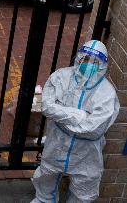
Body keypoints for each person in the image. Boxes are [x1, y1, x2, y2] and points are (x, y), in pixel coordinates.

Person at [31, 40, 120, 203]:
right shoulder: (61, 77)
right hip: (57, 141)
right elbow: (46, 106)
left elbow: (93, 128)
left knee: (85, 185)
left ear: (102, 65)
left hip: (86, 150)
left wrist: (61, 112)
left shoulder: (107, 93)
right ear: (78, 58)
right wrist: (81, 115)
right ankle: (44, 200)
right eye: (85, 59)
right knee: (47, 173)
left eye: (95, 61)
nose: (89, 64)